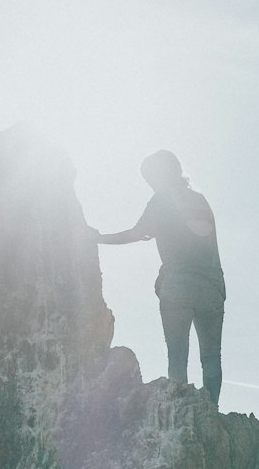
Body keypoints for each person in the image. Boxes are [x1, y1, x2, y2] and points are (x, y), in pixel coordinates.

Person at [93, 150, 225, 407]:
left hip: (177, 285)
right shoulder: (200, 200)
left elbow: (135, 234)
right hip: (212, 286)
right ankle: (211, 413)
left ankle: (180, 410)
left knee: (177, 355)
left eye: (149, 177)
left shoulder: (162, 200)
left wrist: (99, 239)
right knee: (211, 358)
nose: (149, 183)